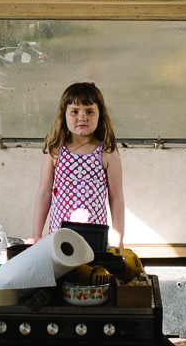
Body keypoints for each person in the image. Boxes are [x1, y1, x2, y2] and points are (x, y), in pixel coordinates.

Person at [32, 82, 124, 247]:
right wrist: (36, 235)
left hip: (94, 236)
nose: (82, 117)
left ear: (100, 114)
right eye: (75, 111)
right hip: (59, 236)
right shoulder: (55, 150)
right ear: (64, 114)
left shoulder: (107, 152)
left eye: (89, 111)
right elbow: (44, 194)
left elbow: (116, 197)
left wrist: (118, 239)